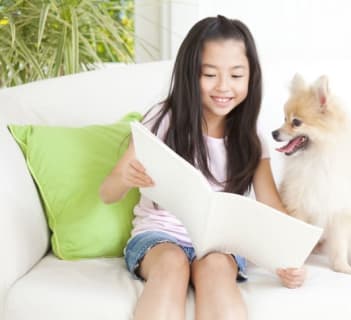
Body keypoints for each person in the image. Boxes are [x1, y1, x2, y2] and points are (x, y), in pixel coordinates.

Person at [99, 15, 306, 320]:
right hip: (158, 237)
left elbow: (271, 206)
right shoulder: (163, 119)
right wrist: (126, 178)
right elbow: (107, 193)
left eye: (236, 75)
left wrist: (290, 259)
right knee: (171, 264)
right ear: (190, 74)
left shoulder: (251, 139)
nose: (223, 87)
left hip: (221, 244)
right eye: (209, 74)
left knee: (216, 268)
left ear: (251, 78)